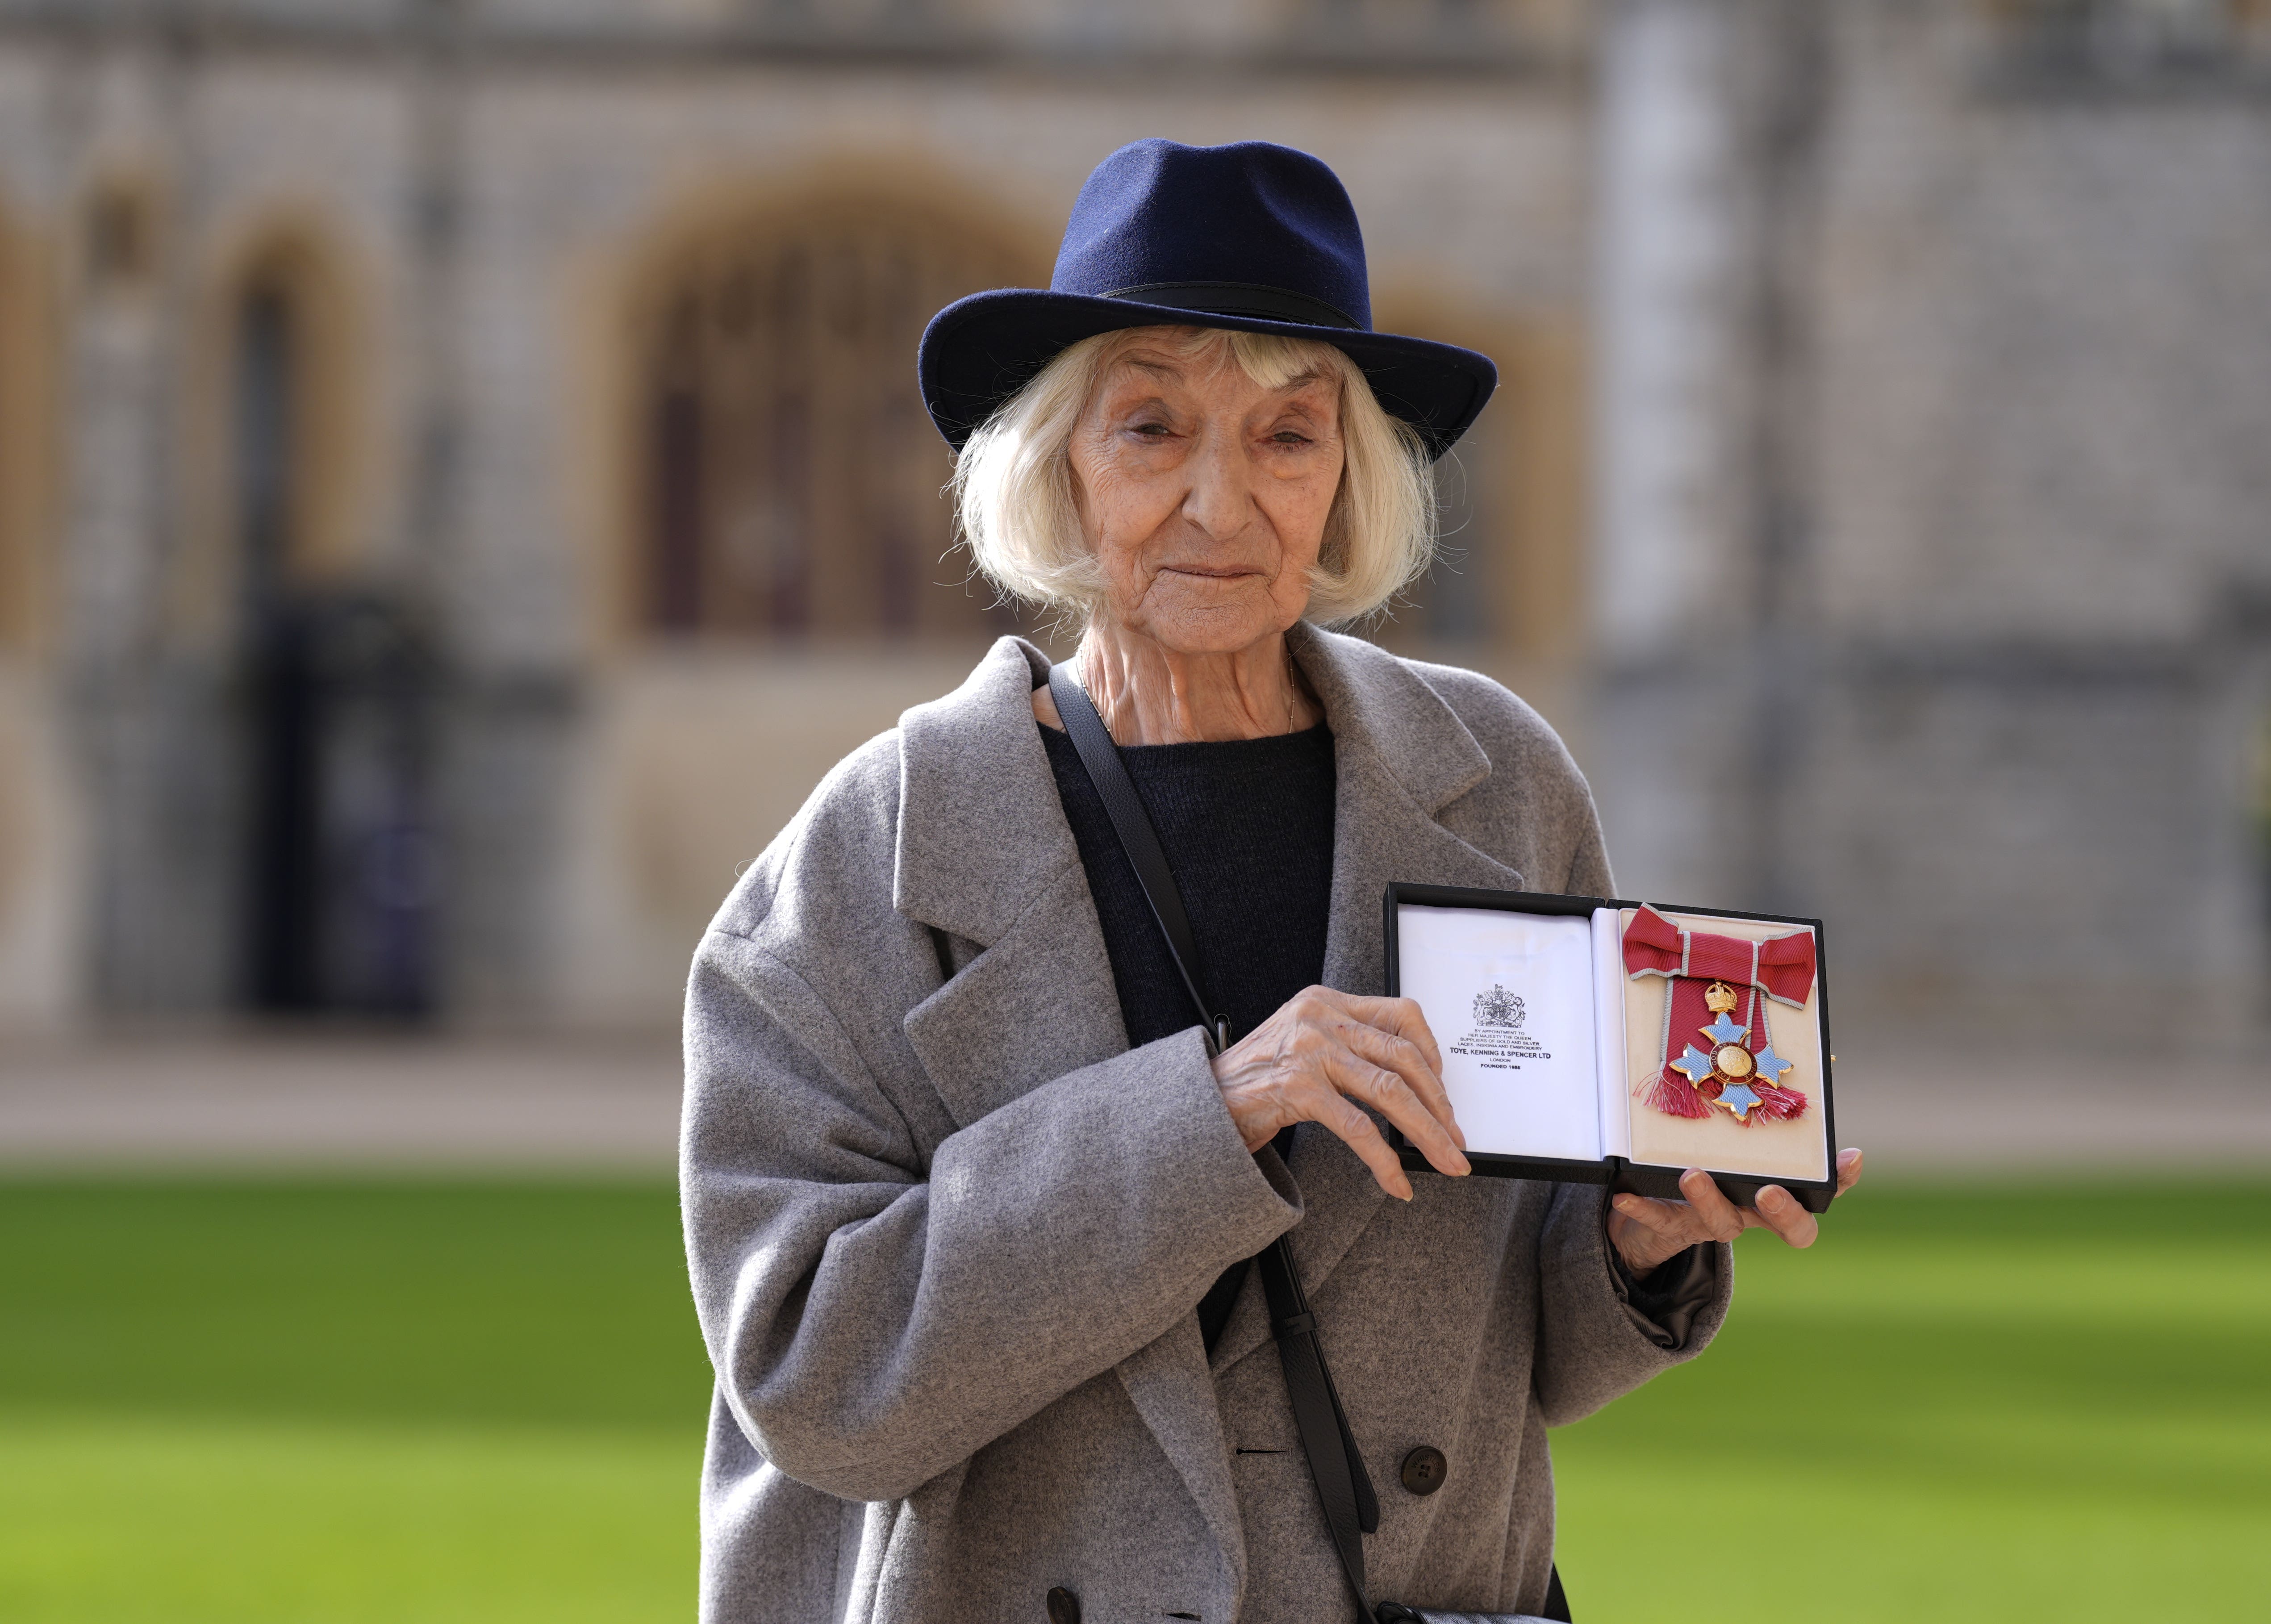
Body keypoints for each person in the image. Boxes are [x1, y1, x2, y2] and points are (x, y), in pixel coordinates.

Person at [680, 138, 1863, 1624]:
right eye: (1152, 429)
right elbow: (816, 1378)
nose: (1221, 505)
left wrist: (1638, 1244)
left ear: (1349, 480)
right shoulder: (866, 854)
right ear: (1056, 466)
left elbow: (1532, 1352)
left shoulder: (1499, 782)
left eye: (1288, 439)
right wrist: (1216, 1114)